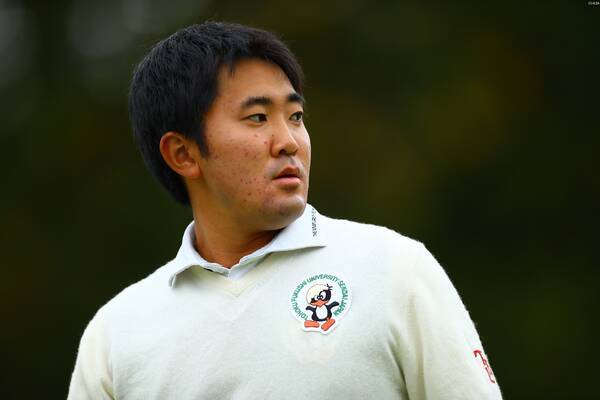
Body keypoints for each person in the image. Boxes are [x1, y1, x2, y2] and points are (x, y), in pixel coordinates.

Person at [67, 22, 502, 400]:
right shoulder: (116, 335)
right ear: (183, 154)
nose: (289, 141)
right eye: (258, 118)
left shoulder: (394, 269)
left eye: (295, 116)